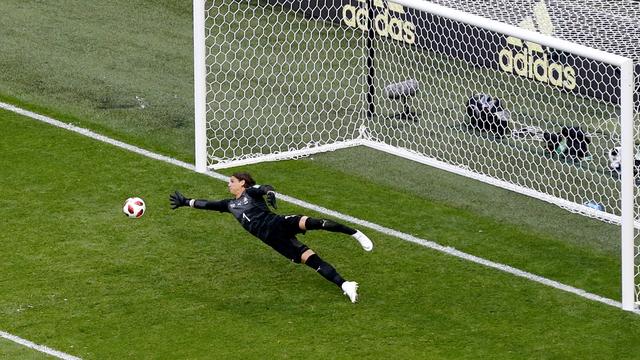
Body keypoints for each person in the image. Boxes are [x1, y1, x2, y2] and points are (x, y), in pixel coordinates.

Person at [169, 172, 373, 303]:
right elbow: (208, 204)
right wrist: (186, 201)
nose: (228, 184)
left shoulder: (250, 192)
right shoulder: (229, 205)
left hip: (277, 223)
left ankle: (355, 233)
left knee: (315, 223)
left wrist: (270, 194)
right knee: (312, 261)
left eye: (231, 181)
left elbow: (265, 187)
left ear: (242, 182)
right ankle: (346, 285)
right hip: (273, 240)